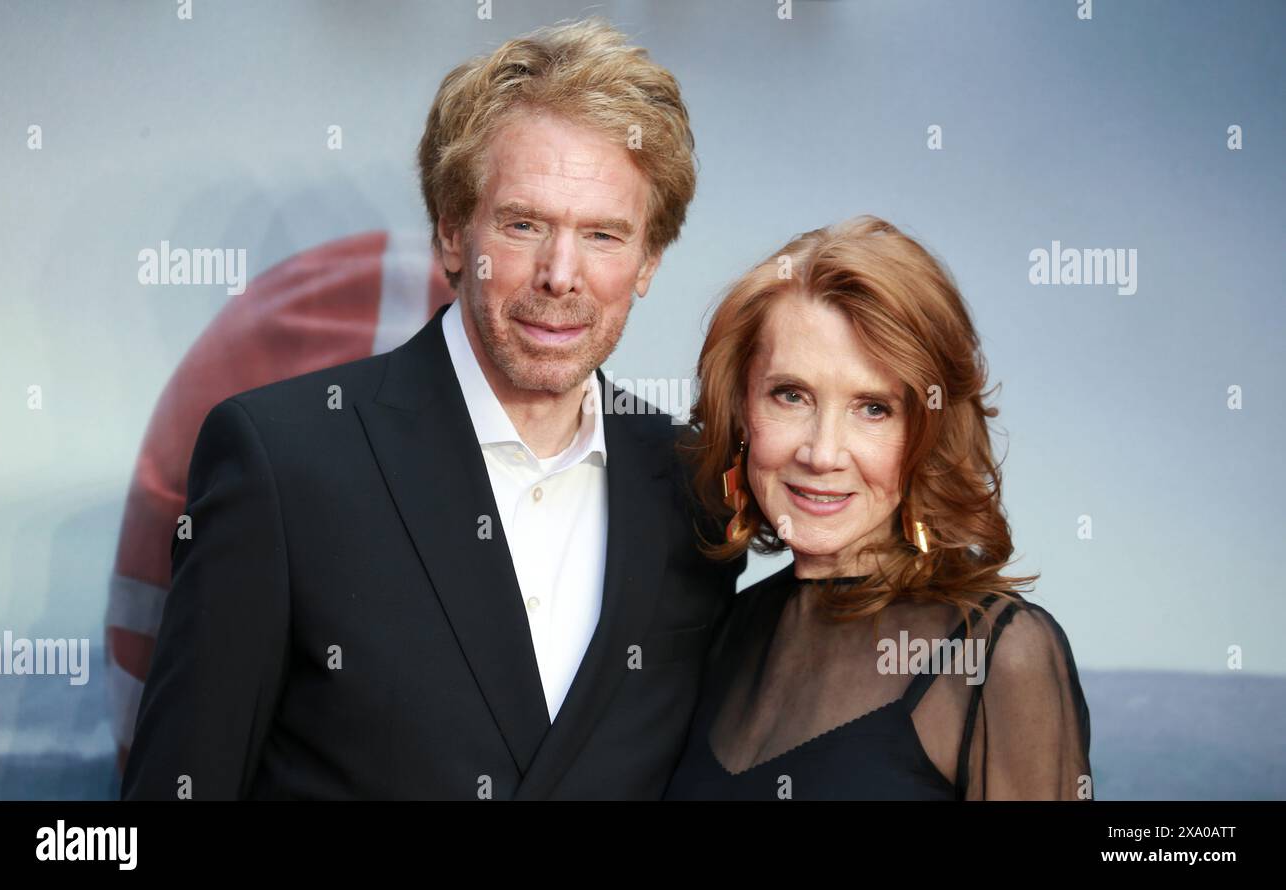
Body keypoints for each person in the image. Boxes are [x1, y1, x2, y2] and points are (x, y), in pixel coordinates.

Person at [121, 17, 742, 800]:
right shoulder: (283, 464)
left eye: (604, 235)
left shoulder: (694, 484)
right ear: (452, 233)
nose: (561, 274)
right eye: (524, 225)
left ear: (649, 259)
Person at [664, 216, 1092, 800]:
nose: (822, 452)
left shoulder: (994, 654)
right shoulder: (721, 633)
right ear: (741, 409)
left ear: (929, 429)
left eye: (873, 408)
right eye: (791, 395)